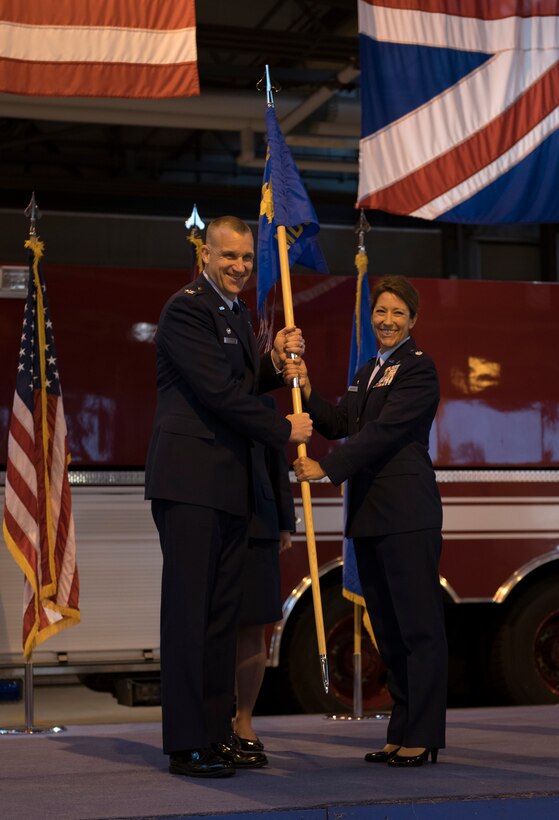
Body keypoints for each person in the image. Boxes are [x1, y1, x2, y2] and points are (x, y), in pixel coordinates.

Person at [145, 215, 312, 778]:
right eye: (229, 256)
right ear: (206, 256)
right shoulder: (187, 308)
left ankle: (216, 734)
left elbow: (235, 383)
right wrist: (283, 430)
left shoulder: (236, 312)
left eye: (246, 257)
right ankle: (187, 744)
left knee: (221, 617)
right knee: (191, 617)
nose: (239, 266)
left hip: (228, 485)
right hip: (191, 482)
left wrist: (274, 362)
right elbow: (216, 394)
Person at [285, 275, 447, 768]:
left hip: (407, 515)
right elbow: (339, 423)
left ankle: (424, 737)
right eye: (381, 312)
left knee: (419, 629)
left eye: (398, 313)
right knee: (391, 633)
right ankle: (402, 732)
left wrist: (327, 469)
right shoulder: (368, 370)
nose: (388, 321)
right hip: (371, 518)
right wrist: (308, 390)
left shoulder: (419, 371)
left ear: (413, 320)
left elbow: (383, 433)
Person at [233, 395, 296, 754]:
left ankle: (244, 719)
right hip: (218, 518)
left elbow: (277, 466)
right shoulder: (210, 385)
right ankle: (215, 718)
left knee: (255, 626)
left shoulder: (263, 403)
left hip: (260, 521)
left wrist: (285, 523)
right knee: (217, 626)